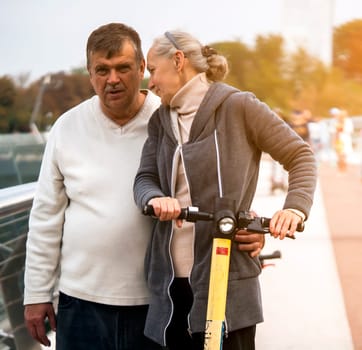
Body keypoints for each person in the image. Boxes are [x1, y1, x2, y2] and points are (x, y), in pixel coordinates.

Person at [23, 23, 264, 350]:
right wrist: (36, 294)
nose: (113, 79)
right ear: (89, 74)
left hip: (156, 304)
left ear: (141, 68)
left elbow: (215, 184)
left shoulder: (170, 119)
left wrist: (247, 224)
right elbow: (45, 217)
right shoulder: (67, 127)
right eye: (101, 70)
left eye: (123, 68)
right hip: (80, 302)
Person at [133, 30, 317, 350]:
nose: (150, 83)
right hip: (169, 287)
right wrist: (154, 197)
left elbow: (299, 156)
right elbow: (144, 178)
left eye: (152, 70)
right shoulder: (160, 120)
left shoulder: (238, 106)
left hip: (227, 282)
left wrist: (294, 207)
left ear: (178, 61)